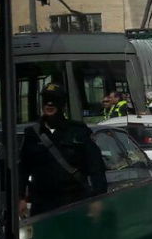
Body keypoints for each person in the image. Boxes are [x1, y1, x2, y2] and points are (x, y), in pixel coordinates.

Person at [18, 84, 106, 217]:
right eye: (46, 99)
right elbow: (23, 169)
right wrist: (20, 198)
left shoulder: (78, 131)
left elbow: (96, 166)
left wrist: (98, 198)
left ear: (63, 104)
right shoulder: (32, 134)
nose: (49, 104)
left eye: (54, 100)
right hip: (42, 206)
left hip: (73, 203)